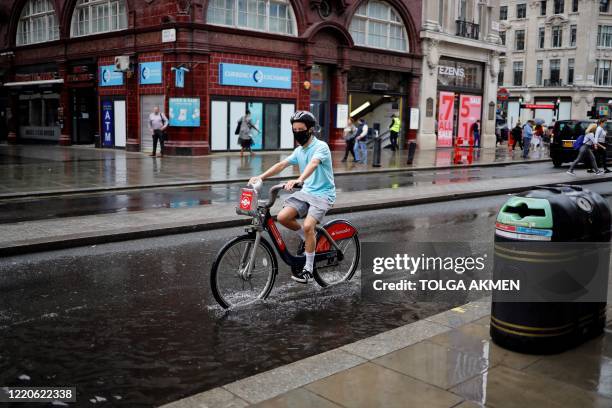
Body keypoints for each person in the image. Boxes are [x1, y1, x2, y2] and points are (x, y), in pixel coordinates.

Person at [248, 111, 335, 284]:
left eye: (301, 129)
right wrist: (261, 177)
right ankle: (308, 239)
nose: (297, 133)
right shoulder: (299, 151)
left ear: (310, 130)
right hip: (307, 192)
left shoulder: (321, 147)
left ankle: (309, 269)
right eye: (294, 130)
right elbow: (281, 165)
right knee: (282, 217)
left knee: (309, 226)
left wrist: (300, 179)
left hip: (323, 194)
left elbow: (314, 164)